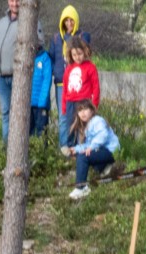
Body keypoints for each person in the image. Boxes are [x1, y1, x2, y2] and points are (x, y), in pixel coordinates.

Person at [49, 5, 88, 148]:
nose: (69, 23)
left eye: (72, 20)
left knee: (79, 116)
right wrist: (57, 72)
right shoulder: (56, 38)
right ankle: (64, 147)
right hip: (61, 84)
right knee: (63, 117)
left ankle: (78, 147)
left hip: (77, 83)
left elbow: (86, 53)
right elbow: (51, 58)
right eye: (66, 20)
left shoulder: (83, 36)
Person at [64, 100, 119, 200]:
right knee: (89, 161)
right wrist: (76, 149)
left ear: (92, 110)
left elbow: (103, 135)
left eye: (85, 109)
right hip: (102, 151)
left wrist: (92, 147)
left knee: (83, 157)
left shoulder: (97, 120)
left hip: (110, 150)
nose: (82, 113)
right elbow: (88, 144)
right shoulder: (87, 126)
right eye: (80, 110)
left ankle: (81, 188)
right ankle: (106, 167)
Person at [0, 0, 21, 142]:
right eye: (12, 0)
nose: (15, 4)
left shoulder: (28, 22)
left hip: (17, 76)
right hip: (1, 77)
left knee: (18, 114)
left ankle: (18, 145)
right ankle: (5, 146)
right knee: (5, 112)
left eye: (18, 1)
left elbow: (39, 42)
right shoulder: (2, 22)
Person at [60, 36, 97, 144]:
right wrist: (64, 106)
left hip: (84, 103)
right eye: (74, 55)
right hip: (70, 103)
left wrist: (94, 104)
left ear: (84, 52)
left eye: (79, 54)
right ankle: (71, 149)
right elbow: (65, 88)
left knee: (85, 129)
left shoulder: (90, 67)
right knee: (71, 128)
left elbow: (95, 87)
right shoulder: (69, 68)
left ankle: (85, 149)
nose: (77, 57)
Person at [29, 40, 52, 137]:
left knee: (41, 130)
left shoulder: (45, 58)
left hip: (41, 103)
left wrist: (42, 102)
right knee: (29, 130)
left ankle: (43, 147)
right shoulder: (27, 57)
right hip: (29, 103)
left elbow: (47, 80)